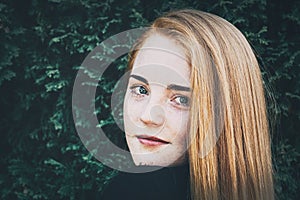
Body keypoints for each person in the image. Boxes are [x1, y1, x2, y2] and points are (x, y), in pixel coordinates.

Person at [102, 9, 274, 200]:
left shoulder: (133, 189)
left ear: (227, 115)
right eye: (141, 90)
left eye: (181, 99)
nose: (147, 116)